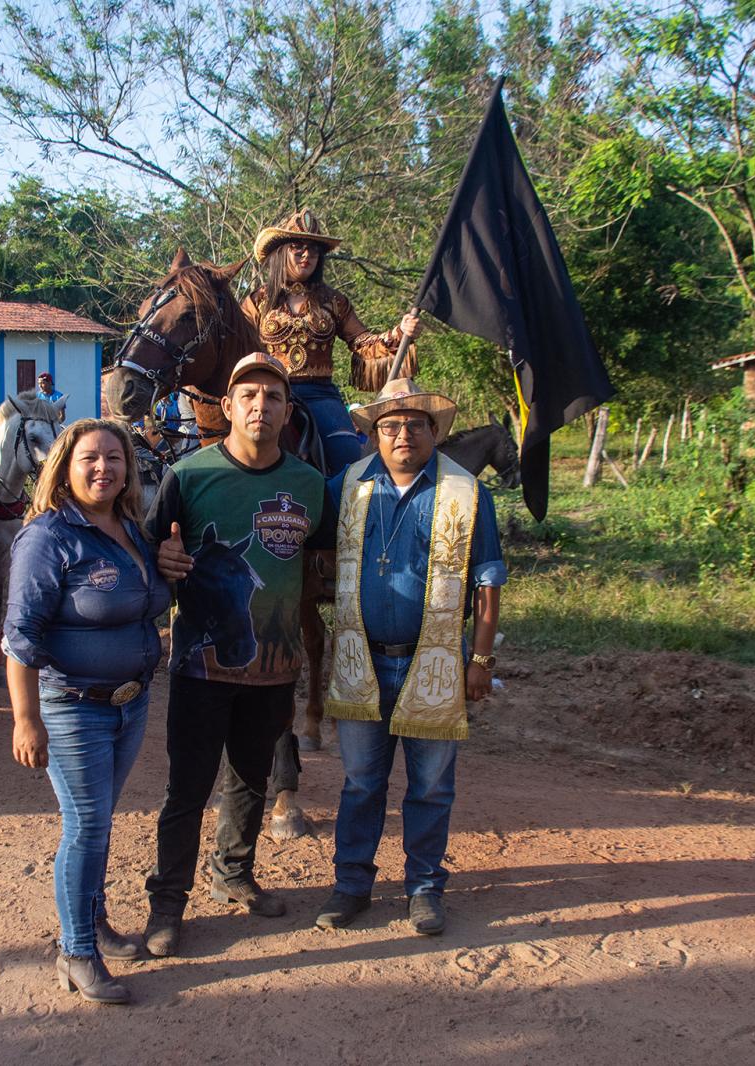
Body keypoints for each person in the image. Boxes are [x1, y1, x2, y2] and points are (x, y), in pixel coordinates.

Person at [142, 352, 335, 957]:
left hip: (275, 669)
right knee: (188, 788)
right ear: (226, 407)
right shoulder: (189, 475)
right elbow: (146, 554)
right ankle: (167, 906)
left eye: (272, 397)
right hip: (201, 666)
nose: (260, 406)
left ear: (287, 410)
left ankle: (232, 873)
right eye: (247, 395)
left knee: (252, 780)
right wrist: (162, 565)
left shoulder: (309, 484)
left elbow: (327, 562)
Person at [313, 378, 505, 937]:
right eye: (390, 426)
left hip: (437, 661)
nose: (402, 435)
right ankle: (352, 886)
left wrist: (482, 661)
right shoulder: (346, 485)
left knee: (431, 787)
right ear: (373, 434)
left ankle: (423, 888)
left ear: (433, 432)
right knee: (361, 784)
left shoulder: (466, 492)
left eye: (414, 425)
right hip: (362, 660)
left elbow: (488, 580)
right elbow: (297, 530)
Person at [3, 418, 169, 1005]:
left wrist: (167, 560)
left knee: (99, 822)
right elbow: (19, 636)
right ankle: (76, 952)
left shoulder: (131, 530)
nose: (104, 468)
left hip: (131, 703)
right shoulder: (48, 538)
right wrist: (26, 719)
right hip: (73, 707)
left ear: (128, 470)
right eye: (90, 459)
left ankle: (92, 922)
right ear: (65, 468)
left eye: (115, 459)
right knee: (88, 826)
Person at [243, 211, 420, 476]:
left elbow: (363, 343)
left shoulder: (334, 301)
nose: (306, 255)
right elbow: (237, 345)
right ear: (281, 251)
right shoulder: (257, 301)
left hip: (320, 395)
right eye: (298, 248)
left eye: (314, 250)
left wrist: (398, 332)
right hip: (268, 393)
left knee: (350, 464)